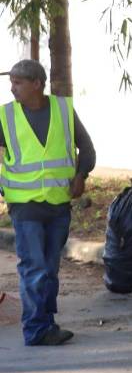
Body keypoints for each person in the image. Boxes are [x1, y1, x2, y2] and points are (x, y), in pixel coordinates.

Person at [0, 59, 95, 346]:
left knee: (49, 269)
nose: (12, 88)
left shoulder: (64, 110)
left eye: (18, 82)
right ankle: (36, 329)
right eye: (11, 82)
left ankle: (46, 322)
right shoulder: (6, 115)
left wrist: (81, 175)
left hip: (57, 204)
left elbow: (87, 147)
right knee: (34, 266)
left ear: (37, 84)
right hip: (24, 204)